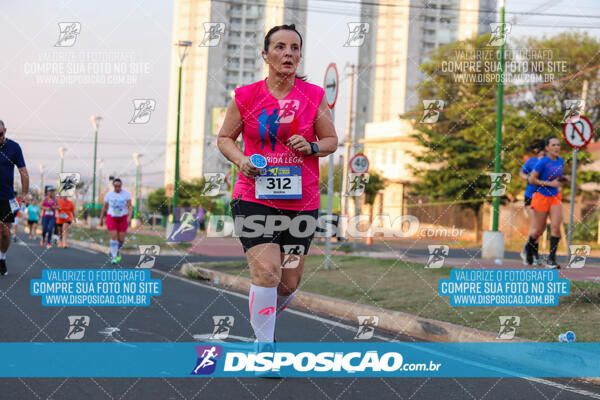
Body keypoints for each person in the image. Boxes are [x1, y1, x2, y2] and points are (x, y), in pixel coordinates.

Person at [217, 24, 338, 345]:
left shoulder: (314, 96)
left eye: (295, 48)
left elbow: (331, 140)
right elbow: (225, 138)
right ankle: (264, 345)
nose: (288, 53)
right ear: (266, 55)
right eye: (281, 47)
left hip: (302, 203)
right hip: (253, 196)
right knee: (267, 273)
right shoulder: (245, 97)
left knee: (288, 283)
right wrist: (241, 159)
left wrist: (312, 147)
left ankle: (263, 324)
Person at [526, 136, 568, 269]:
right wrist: (549, 183)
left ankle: (551, 260)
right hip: (541, 197)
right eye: (554, 145)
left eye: (558, 145)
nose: (557, 147)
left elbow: (555, 177)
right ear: (547, 148)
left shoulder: (561, 161)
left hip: (555, 197)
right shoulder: (542, 162)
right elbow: (532, 180)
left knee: (556, 227)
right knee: (539, 230)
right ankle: (528, 247)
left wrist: (562, 178)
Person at [0, 120, 29, 275]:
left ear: (5, 130)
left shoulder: (14, 147)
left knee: (5, 233)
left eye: (0, 134)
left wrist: (24, 193)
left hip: (7, 197)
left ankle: (2, 258)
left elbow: (23, 171)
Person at [519, 139, 546, 265]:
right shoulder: (531, 161)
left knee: (539, 228)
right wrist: (528, 178)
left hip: (543, 197)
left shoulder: (550, 163)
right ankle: (531, 253)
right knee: (535, 225)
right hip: (530, 196)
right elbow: (522, 173)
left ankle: (529, 250)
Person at [99, 178, 132, 264]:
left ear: (121, 186)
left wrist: (129, 217)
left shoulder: (126, 194)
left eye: (119, 186)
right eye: (116, 186)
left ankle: (116, 251)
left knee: (121, 240)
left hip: (122, 218)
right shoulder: (109, 195)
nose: (117, 188)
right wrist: (101, 219)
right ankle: (114, 257)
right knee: (114, 237)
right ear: (113, 186)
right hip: (111, 218)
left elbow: (130, 206)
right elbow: (105, 207)